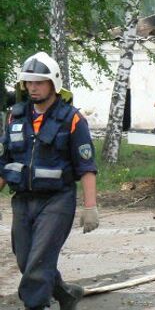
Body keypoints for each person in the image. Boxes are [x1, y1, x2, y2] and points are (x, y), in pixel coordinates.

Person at [0, 52, 98, 310]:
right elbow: (5, 162)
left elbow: (87, 166)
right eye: (28, 82)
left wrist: (90, 208)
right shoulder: (15, 117)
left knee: (39, 261)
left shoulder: (72, 119)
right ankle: (65, 294)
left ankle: (35, 305)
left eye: (39, 82)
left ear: (53, 83)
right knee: (26, 261)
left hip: (57, 201)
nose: (33, 87)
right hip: (22, 200)